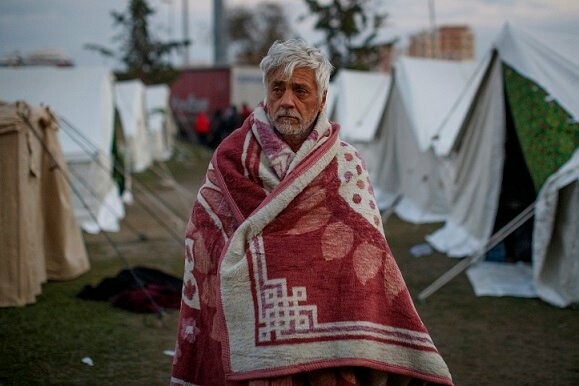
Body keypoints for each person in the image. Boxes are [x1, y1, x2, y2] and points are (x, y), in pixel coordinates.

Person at [171, 39, 453, 386]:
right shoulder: (230, 159)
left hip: (330, 346)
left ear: (322, 99)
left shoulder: (346, 165)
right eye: (278, 88)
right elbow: (204, 235)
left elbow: (368, 250)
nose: (287, 101)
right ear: (266, 93)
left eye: (300, 90)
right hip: (251, 350)